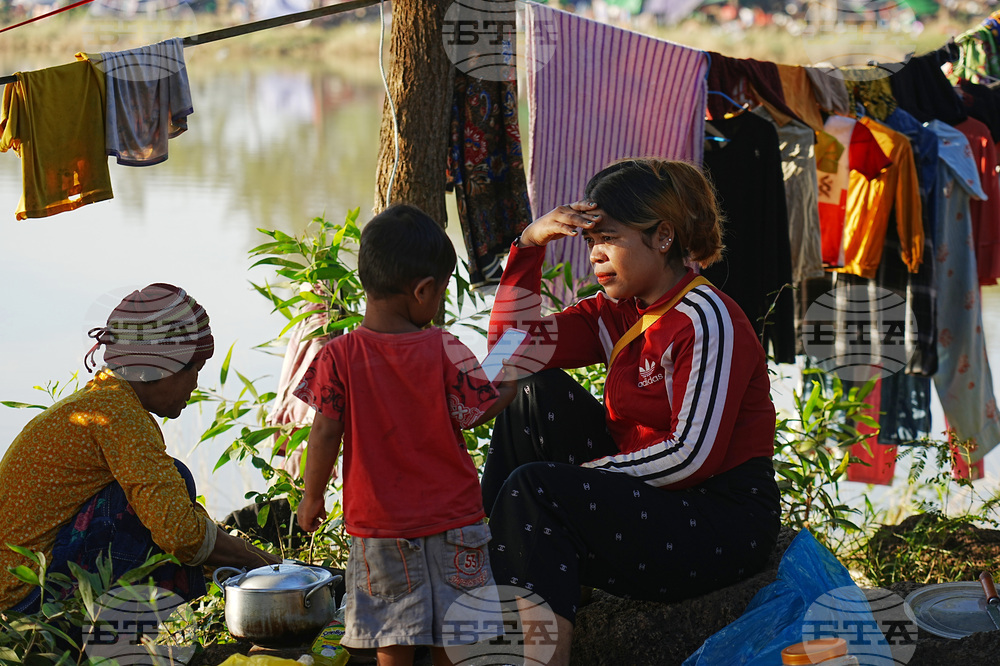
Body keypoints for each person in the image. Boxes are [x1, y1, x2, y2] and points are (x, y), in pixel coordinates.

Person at [483, 159, 781, 664]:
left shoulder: (707, 319)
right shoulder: (617, 313)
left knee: (536, 490)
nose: (595, 256)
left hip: (720, 517)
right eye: (588, 242)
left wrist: (576, 481)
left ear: (663, 237)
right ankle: (523, 587)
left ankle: (535, 652)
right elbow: (507, 355)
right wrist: (528, 246)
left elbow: (691, 457)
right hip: (652, 493)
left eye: (609, 239)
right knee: (532, 393)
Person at [294, 204, 518, 666]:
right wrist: (510, 385)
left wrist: (311, 497)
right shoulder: (443, 347)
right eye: (438, 293)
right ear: (422, 290)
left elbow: (323, 433)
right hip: (455, 520)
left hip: (380, 530)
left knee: (391, 638)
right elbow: (475, 411)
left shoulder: (338, 356)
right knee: (454, 636)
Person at [0, 283, 280, 614]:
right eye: (195, 370)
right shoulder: (119, 416)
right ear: (160, 370)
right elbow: (182, 535)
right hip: (27, 599)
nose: (195, 384)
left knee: (170, 485)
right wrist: (272, 568)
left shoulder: (105, 399)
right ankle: (96, 637)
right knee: (160, 497)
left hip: (17, 588)